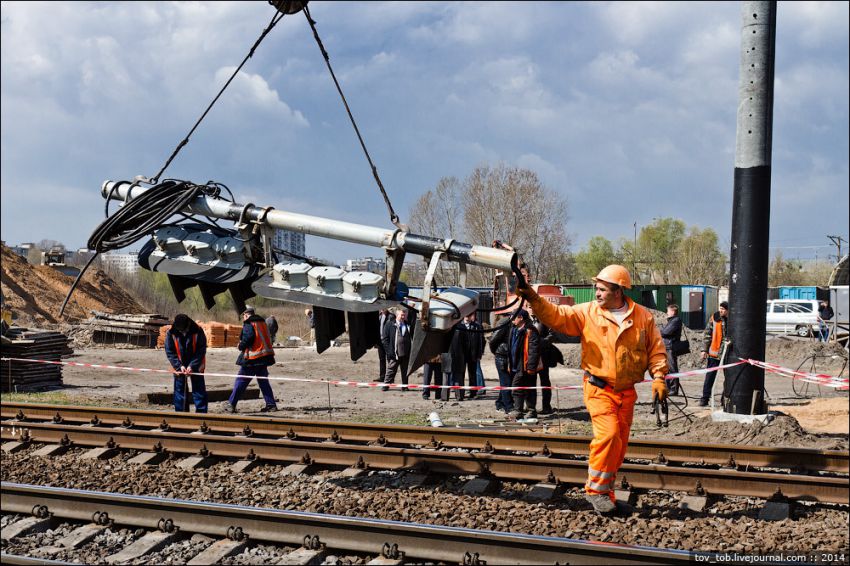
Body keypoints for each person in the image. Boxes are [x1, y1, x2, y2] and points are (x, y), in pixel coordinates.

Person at [516, 264, 668, 516]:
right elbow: (556, 315)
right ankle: (595, 490)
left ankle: (606, 494)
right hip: (599, 388)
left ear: (618, 291)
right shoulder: (588, 313)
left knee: (618, 446)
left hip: (627, 392)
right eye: (596, 288)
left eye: (601, 289)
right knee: (608, 436)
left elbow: (656, 349)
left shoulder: (643, 317)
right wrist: (532, 297)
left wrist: (659, 377)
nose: (596, 293)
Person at [224, 306, 278, 413]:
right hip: (264, 357)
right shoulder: (262, 322)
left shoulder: (249, 323)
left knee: (241, 380)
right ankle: (271, 405)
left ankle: (231, 404)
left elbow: (249, 337)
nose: (243, 318)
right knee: (263, 382)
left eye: (243, 315)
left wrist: (240, 346)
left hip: (253, 358)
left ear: (246, 314)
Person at [164, 314, 208, 413]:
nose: (181, 332)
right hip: (179, 365)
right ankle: (181, 414)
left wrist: (192, 365)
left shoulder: (198, 331)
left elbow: (201, 350)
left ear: (188, 325)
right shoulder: (171, 332)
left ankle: (201, 414)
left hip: (196, 365)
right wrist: (179, 366)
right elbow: (170, 351)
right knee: (180, 391)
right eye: (179, 330)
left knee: (199, 391)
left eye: (183, 330)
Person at [508, 308, 541, 420]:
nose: (511, 318)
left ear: (521, 318)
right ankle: (527, 410)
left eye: (513, 316)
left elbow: (533, 350)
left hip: (526, 365)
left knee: (520, 387)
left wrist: (531, 367)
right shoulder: (514, 329)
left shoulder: (531, 330)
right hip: (516, 365)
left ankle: (522, 411)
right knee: (523, 387)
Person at [700, 301, 728, 407]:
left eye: (723, 309)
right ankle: (704, 398)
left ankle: (724, 399)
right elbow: (707, 335)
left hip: (727, 354)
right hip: (714, 354)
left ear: (728, 311)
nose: (721, 310)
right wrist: (704, 350)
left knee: (729, 378)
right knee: (710, 377)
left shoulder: (733, 320)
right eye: (720, 308)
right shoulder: (715, 318)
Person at [530, 317, 558, 415]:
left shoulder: (545, 320)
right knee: (530, 382)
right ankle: (531, 407)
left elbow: (553, 334)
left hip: (544, 356)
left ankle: (546, 407)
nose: (531, 309)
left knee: (545, 382)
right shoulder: (526, 320)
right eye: (529, 307)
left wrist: (541, 342)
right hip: (530, 357)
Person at [488, 313, 514, 413]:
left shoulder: (511, 323)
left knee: (506, 381)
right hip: (502, 357)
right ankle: (509, 407)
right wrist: (498, 352)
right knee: (506, 382)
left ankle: (500, 403)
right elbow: (493, 340)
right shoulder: (504, 323)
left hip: (508, 356)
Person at [381, 309, 412, 391]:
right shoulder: (390, 324)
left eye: (404, 315)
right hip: (394, 353)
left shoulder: (407, 324)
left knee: (405, 371)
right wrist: (389, 351)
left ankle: (405, 386)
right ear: (397, 315)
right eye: (401, 315)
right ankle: (386, 385)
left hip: (406, 352)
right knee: (391, 369)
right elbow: (384, 339)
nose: (403, 316)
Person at [460, 313, 485, 399]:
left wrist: (479, 353)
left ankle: (473, 392)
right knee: (461, 375)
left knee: (472, 375)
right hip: (462, 355)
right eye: (466, 315)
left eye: (469, 315)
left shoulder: (476, 326)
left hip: (473, 354)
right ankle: (461, 393)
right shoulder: (459, 326)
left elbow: (480, 341)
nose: (467, 317)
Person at [660, 304, 683, 396]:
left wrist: (661, 329)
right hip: (668, 347)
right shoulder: (672, 320)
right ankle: (668, 388)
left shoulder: (675, 320)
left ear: (673, 312)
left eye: (668, 311)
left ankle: (673, 389)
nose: (666, 313)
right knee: (667, 369)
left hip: (671, 347)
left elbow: (665, 332)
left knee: (672, 368)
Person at [374, 309, 391, 382]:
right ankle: (382, 377)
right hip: (380, 341)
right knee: (381, 359)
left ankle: (389, 378)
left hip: (387, 341)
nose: (382, 308)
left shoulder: (391, 316)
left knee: (389, 360)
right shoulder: (379, 316)